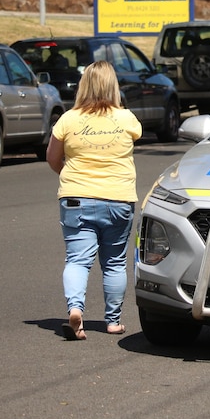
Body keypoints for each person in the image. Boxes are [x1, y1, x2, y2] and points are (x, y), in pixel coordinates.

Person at [46, 60, 143, 341]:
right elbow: (137, 136)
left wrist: (70, 175)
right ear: (113, 86)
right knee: (114, 262)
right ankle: (112, 321)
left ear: (83, 85)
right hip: (118, 198)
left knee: (77, 260)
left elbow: (53, 157)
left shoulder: (68, 118)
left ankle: (75, 309)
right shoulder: (126, 118)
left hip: (76, 198)